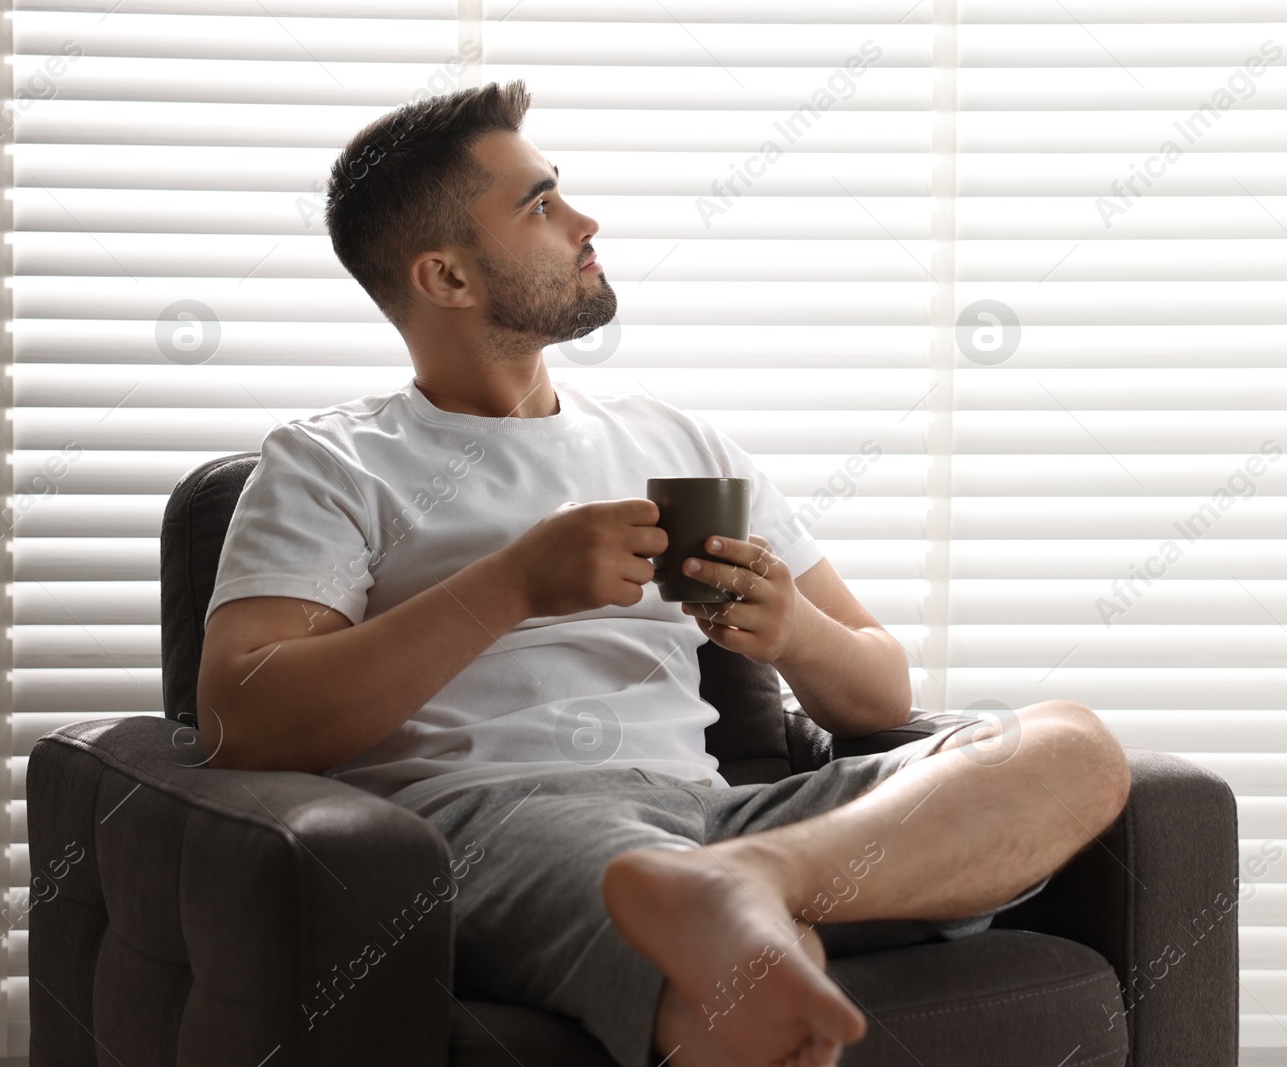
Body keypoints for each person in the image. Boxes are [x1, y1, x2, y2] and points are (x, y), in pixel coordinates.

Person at [198, 80, 1131, 1067]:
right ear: (448, 277)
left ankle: (746, 878)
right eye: (540, 204)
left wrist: (795, 634)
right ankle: (732, 900)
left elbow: (878, 688)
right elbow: (241, 720)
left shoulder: (675, 437)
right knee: (751, 977)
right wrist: (511, 583)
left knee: (1070, 747)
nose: (585, 220)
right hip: (502, 823)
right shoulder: (331, 462)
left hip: (722, 815)